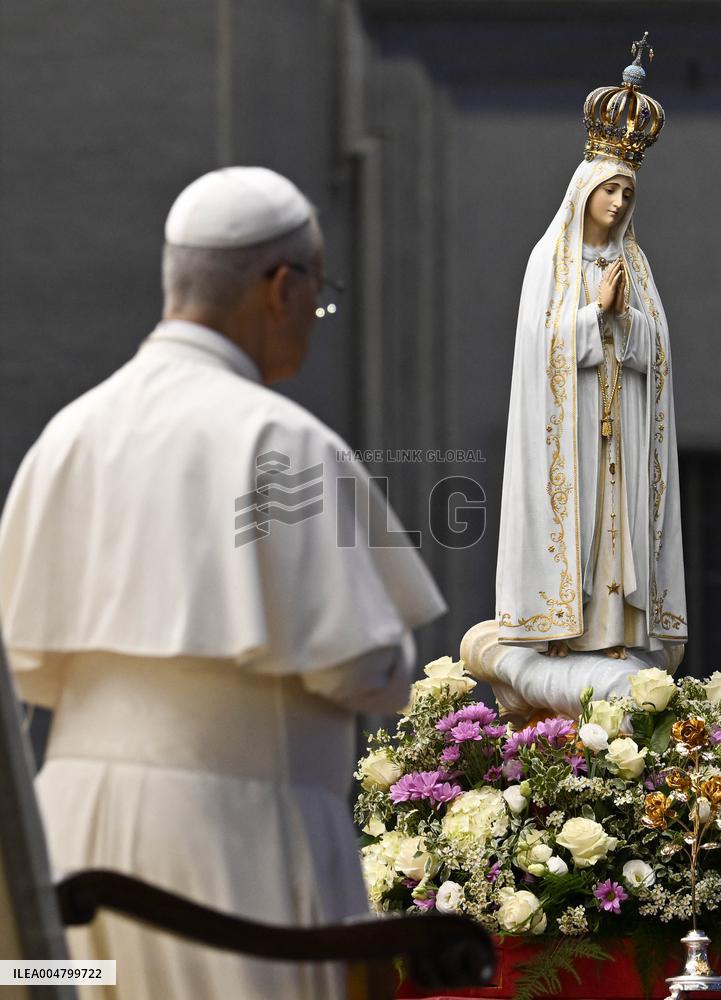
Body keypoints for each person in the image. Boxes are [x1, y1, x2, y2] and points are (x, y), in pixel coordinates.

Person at [0, 167, 446, 999]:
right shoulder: (280, 439)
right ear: (281, 287)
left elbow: (24, 665)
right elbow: (360, 665)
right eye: (317, 296)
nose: (313, 317)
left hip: (62, 841)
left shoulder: (66, 434)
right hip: (227, 859)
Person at [495, 36, 687, 664]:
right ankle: (563, 626)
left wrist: (627, 320)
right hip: (571, 420)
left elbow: (655, 354)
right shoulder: (549, 262)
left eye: (628, 193)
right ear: (585, 190)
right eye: (610, 189)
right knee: (577, 513)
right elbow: (537, 350)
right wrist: (592, 314)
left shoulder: (635, 263)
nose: (618, 201)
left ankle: (615, 631)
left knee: (618, 519)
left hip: (620, 428)